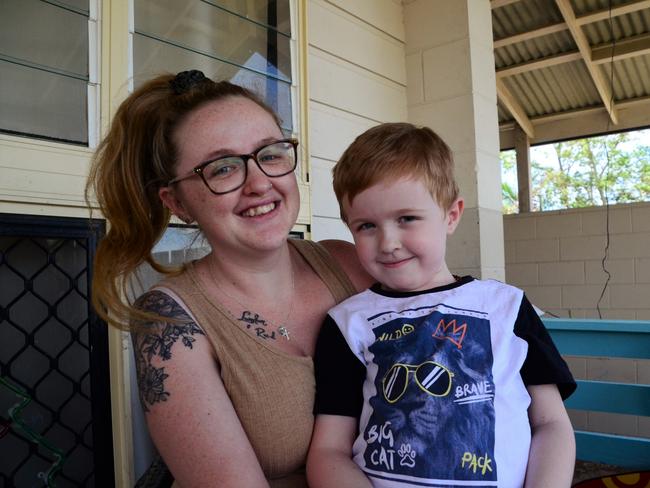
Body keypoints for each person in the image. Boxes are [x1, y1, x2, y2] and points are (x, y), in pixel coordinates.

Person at [86, 70, 371, 487]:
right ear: (177, 202)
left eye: (270, 154)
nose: (259, 183)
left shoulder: (351, 262)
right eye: (222, 169)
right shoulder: (171, 321)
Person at [306, 122, 577, 488]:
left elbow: (551, 423)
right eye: (366, 226)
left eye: (407, 219)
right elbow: (328, 451)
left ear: (451, 215)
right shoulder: (348, 323)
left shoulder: (506, 308)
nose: (388, 242)